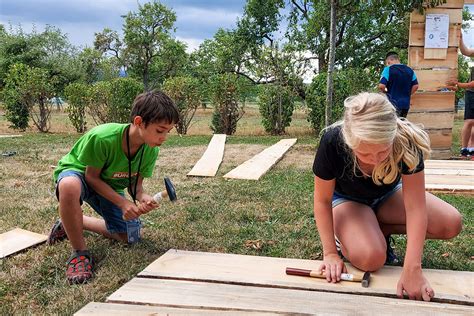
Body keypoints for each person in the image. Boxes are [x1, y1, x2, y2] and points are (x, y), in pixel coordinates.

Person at [312, 92, 462, 301]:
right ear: (349, 140)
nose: (374, 161)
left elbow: (416, 208)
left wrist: (412, 268)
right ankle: (346, 236)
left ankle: (377, 227)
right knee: (371, 258)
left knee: (450, 223)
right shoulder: (332, 141)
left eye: (382, 152)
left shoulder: (406, 141)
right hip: (347, 201)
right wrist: (329, 253)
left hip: (387, 195)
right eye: (364, 154)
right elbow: (322, 201)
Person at [48, 90, 179, 284]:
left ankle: (72, 222)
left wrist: (143, 197)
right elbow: (91, 178)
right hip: (81, 175)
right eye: (160, 130)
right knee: (69, 186)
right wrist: (123, 204)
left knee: (130, 237)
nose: (164, 137)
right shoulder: (104, 138)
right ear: (139, 122)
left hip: (108, 184)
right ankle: (79, 254)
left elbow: (136, 187)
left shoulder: (150, 150)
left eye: (168, 131)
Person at [446, 33, 474, 158]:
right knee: (469, 121)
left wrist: (458, 84)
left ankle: (472, 149)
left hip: (470, 88)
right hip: (472, 94)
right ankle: (464, 149)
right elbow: (466, 52)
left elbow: (472, 84)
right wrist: (460, 40)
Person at [379, 52, 419, 118]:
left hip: (392, 104)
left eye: (387, 63)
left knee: (392, 125)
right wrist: (407, 94)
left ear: (389, 61)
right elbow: (416, 86)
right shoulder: (410, 70)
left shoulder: (388, 69)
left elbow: (381, 86)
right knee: (402, 124)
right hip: (405, 104)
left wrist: (386, 93)